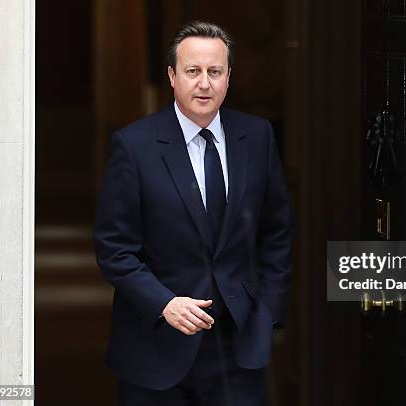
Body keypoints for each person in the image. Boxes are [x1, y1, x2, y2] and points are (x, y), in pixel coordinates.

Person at [93, 21, 292, 405]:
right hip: (156, 349)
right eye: (193, 71)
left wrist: (267, 315)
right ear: (172, 75)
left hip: (239, 347)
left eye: (214, 72)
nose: (204, 83)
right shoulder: (133, 146)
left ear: (228, 77)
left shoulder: (258, 137)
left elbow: (276, 233)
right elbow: (114, 249)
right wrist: (164, 303)